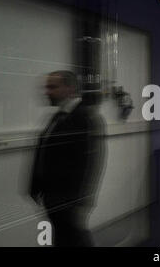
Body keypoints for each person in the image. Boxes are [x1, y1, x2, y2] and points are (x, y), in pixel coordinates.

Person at [29, 70, 105, 247]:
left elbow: (90, 163)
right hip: (53, 197)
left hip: (68, 200)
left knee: (75, 240)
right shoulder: (58, 116)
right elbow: (45, 151)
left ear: (70, 89)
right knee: (65, 239)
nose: (47, 91)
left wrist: (80, 200)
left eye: (52, 87)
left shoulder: (85, 117)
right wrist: (35, 185)